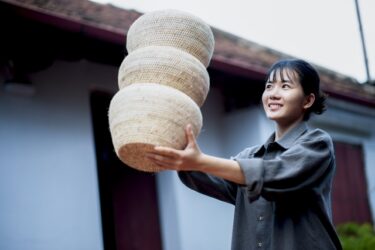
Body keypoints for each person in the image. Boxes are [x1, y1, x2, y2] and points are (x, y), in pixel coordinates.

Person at [146, 59, 342, 250]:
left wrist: (200, 161)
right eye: (269, 86)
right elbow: (213, 177)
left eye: (285, 86)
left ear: (308, 100)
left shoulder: (317, 144)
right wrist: (176, 150)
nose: (273, 94)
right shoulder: (250, 156)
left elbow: (275, 175)